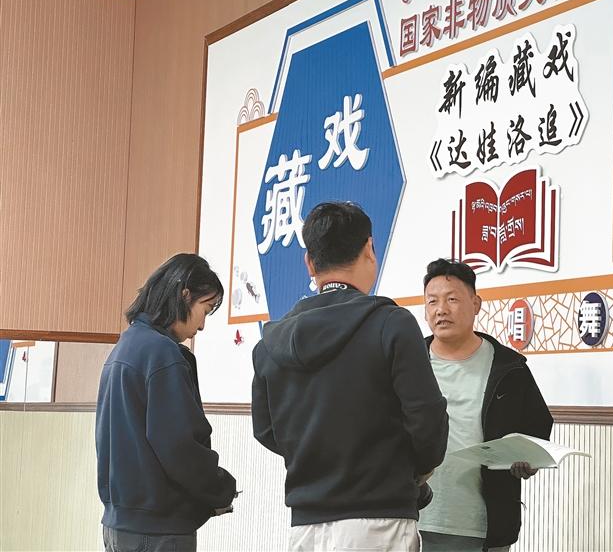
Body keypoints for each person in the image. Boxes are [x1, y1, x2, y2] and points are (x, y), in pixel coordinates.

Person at [251, 201, 449, 552]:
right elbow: (428, 420)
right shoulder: (392, 324)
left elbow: (266, 430)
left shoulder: (270, 342)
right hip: (380, 520)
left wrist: (315, 457)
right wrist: (414, 470)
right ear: (369, 249)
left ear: (309, 263)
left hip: (305, 526)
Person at [96, 253, 237, 552]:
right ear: (184, 295)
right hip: (158, 532)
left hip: (118, 526)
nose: (203, 325)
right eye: (205, 309)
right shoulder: (162, 354)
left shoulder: (126, 346)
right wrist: (221, 488)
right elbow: (178, 446)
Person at [419, 258, 553, 552]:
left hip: (483, 523)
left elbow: (536, 428)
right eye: (432, 301)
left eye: (452, 299)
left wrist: (528, 460)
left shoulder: (509, 368)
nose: (441, 309)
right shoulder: (407, 362)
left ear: (476, 303)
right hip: (412, 518)